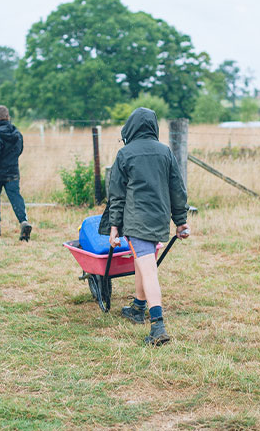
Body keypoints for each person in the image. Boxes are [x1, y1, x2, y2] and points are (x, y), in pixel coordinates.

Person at [99, 107, 190, 346]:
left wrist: (114, 227)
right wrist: (180, 221)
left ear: (131, 127)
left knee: (148, 269)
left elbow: (116, 196)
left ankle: (158, 326)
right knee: (142, 261)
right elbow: (177, 189)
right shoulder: (165, 152)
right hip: (159, 219)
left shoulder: (125, 153)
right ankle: (138, 307)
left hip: (136, 220)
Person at [0, 105, 32, 241]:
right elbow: (19, 150)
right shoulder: (17, 134)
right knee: (15, 196)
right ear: (8, 117)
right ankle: (23, 222)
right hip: (12, 171)